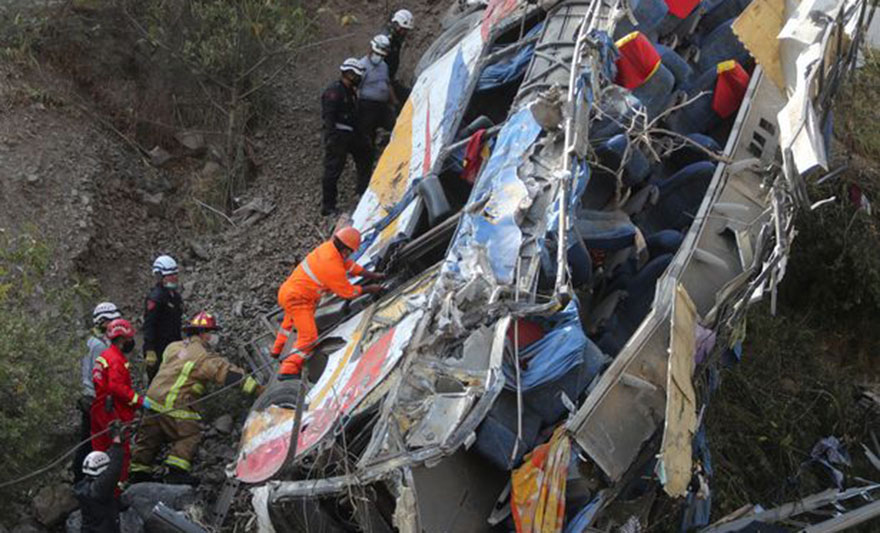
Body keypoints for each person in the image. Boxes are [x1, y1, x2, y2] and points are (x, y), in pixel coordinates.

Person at [130, 311, 262, 485]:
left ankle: (138, 474)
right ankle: (175, 472)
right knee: (190, 434)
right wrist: (257, 389)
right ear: (203, 334)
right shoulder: (203, 356)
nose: (214, 337)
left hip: (153, 399)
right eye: (212, 332)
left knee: (149, 437)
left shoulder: (173, 347)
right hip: (174, 403)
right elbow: (226, 373)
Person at [271, 227, 385, 379]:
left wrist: (370, 274)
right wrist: (370, 288)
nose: (350, 255)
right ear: (345, 250)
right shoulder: (331, 265)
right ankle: (288, 369)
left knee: (289, 323)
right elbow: (347, 292)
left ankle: (277, 350)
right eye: (350, 252)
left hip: (289, 292)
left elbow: (348, 265)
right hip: (299, 299)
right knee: (309, 337)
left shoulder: (328, 249)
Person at [91, 318, 155, 484]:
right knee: (120, 453)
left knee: (100, 451)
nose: (131, 342)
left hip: (99, 409)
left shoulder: (106, 355)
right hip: (111, 412)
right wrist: (139, 401)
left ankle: (98, 488)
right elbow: (117, 387)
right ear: (121, 339)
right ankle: (116, 491)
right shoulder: (116, 360)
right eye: (128, 339)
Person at [74, 302, 123, 483]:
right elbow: (100, 375)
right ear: (102, 322)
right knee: (93, 440)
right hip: (94, 398)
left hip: (88, 396)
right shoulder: (99, 346)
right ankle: (85, 477)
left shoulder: (92, 341)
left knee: (88, 438)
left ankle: (83, 477)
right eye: (112, 321)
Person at [321, 58, 372, 216]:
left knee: (366, 156)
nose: (358, 78)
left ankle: (362, 191)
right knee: (333, 169)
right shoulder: (334, 91)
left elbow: (353, 115)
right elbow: (328, 116)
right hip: (338, 135)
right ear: (348, 74)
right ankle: (328, 206)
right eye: (356, 75)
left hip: (351, 133)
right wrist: (331, 136)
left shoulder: (351, 92)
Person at [75, 421, 128, 533]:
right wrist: (117, 443)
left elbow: (107, 464)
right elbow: (113, 469)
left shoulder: (83, 485)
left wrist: (115, 443)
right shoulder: (99, 490)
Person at [358, 34, 398, 166]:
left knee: (394, 124)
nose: (379, 57)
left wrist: (394, 102)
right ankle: (368, 158)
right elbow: (356, 87)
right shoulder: (362, 66)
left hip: (382, 105)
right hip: (367, 105)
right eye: (377, 53)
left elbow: (387, 84)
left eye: (381, 55)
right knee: (368, 132)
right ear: (370, 49)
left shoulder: (383, 66)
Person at [143, 255, 183, 383]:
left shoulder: (175, 297)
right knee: (158, 381)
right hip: (159, 348)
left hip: (173, 345)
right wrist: (150, 349)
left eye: (175, 273)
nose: (174, 277)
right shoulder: (156, 298)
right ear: (161, 277)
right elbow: (149, 325)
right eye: (170, 274)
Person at [383, 9, 414, 101]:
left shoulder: (396, 41)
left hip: (390, 80)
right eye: (403, 29)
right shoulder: (386, 41)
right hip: (382, 82)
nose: (404, 33)